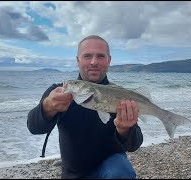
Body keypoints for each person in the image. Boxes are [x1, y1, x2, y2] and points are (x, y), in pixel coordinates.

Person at [27, 35, 143, 179]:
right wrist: (48, 106)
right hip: (74, 174)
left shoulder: (120, 95)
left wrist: (125, 130)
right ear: (78, 60)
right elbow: (34, 127)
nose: (94, 62)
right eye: (87, 56)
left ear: (109, 61)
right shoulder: (58, 92)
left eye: (100, 56)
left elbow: (134, 145)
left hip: (112, 169)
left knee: (120, 171)